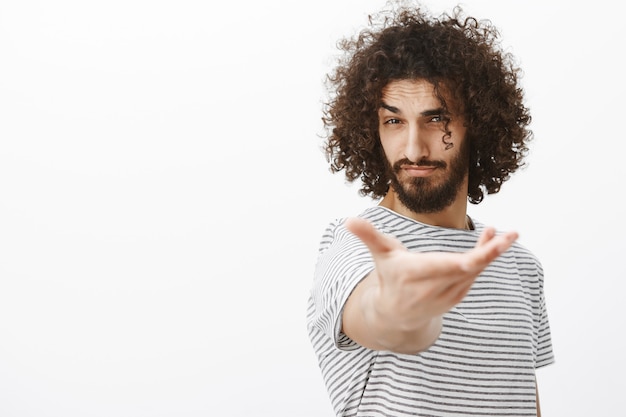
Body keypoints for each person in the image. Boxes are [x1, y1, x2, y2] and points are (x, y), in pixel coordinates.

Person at [305, 1, 555, 416]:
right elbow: (382, 316)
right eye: (394, 121)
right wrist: (404, 307)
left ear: (477, 122)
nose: (413, 148)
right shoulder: (355, 246)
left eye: (436, 119)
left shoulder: (519, 266)